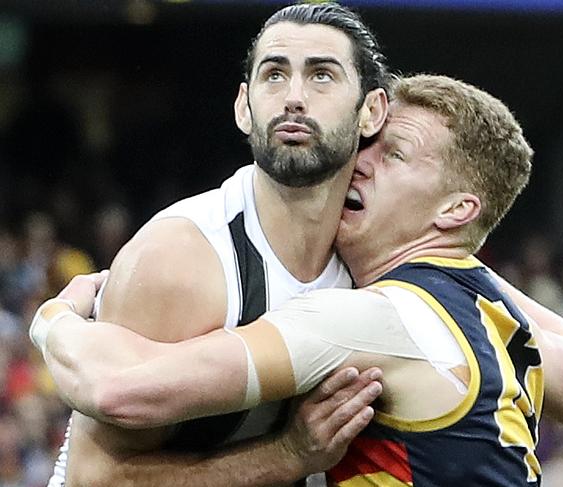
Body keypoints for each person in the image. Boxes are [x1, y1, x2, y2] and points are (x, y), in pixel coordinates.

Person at [32, 74, 563, 486]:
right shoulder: (494, 315)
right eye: (368, 145)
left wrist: (56, 318)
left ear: (456, 210)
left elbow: (117, 391)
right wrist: (458, 254)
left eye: (395, 155)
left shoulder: (370, 320)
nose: (358, 162)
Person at [38, 3, 391, 486]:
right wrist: (287, 456)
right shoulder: (180, 259)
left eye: (322, 75)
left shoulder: (382, 254)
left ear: (372, 110)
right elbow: (97, 479)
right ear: (244, 108)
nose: (293, 97)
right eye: (274, 75)